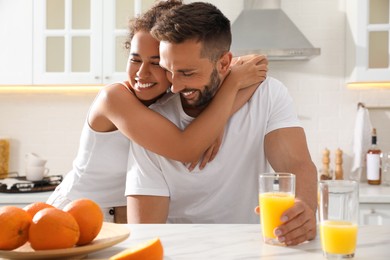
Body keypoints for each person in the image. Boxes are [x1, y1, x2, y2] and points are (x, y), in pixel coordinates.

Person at [47, 0, 268, 223]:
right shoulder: (114, 99)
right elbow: (187, 149)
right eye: (135, 60)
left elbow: (254, 63)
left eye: (156, 64)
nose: (142, 73)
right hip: (73, 214)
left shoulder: (174, 92)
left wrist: (220, 115)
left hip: (118, 220)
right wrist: (231, 89)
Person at [125, 1, 317, 246]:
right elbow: (145, 231)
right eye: (168, 70)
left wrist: (305, 207)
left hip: (252, 248)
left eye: (187, 72)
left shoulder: (267, 94)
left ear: (225, 63)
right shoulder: (154, 120)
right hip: (181, 252)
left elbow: (296, 164)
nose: (175, 86)